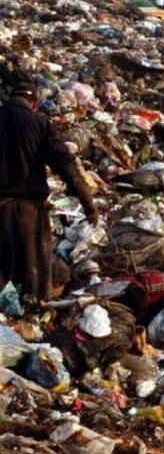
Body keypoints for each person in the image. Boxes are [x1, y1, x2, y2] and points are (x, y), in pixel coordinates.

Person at [0, 70, 98, 300]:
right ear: (34, 103)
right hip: (28, 213)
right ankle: (31, 320)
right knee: (32, 273)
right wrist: (88, 204)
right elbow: (66, 163)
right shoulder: (40, 124)